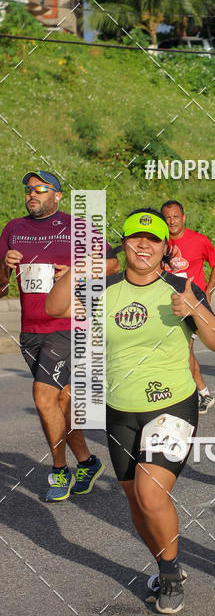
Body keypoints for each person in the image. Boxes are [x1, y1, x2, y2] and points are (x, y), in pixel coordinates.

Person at [46, 208, 215, 613]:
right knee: (135, 500)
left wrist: (194, 311)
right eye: (135, 237)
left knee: (150, 493)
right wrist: (82, 267)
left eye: (154, 240)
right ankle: (168, 565)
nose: (144, 244)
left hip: (172, 405)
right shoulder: (104, 287)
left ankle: (169, 573)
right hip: (120, 409)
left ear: (166, 248)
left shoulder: (180, 287)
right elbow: (55, 306)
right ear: (124, 243)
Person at [0, 170, 118, 501]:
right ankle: (88, 461)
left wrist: (79, 268)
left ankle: (58, 470)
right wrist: (4, 265)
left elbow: (111, 264)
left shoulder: (76, 227)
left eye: (39, 189)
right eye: (27, 189)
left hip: (69, 325)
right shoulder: (13, 229)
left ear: (57, 195)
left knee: (42, 396)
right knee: (61, 403)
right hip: (31, 330)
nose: (31, 194)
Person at [161, 200, 215, 414]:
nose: (171, 221)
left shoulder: (199, 240)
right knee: (177, 351)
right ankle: (196, 393)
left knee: (184, 350)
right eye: (167, 217)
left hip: (193, 305)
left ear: (184, 218)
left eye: (175, 216)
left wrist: (208, 291)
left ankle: (202, 394)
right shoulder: (159, 242)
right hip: (168, 305)